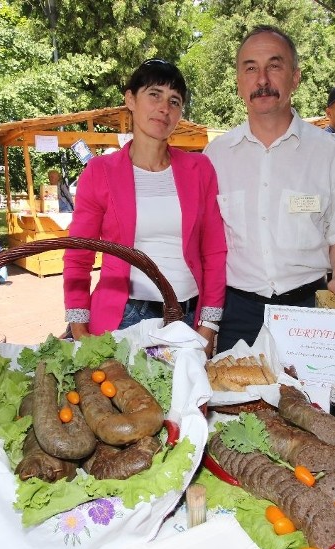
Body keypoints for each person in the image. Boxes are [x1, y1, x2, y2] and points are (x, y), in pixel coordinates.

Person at [203, 25, 335, 352]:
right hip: (237, 314)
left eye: (274, 66)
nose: (262, 79)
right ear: (239, 82)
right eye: (250, 68)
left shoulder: (329, 152)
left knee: (307, 402)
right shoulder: (215, 157)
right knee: (234, 402)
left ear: (295, 78)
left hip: (308, 309)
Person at [63, 59, 228, 356]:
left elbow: (214, 251)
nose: (164, 108)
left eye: (174, 101)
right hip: (123, 318)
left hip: (187, 319)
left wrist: (209, 326)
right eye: (154, 94)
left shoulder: (200, 168)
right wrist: (78, 327)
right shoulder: (100, 171)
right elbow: (79, 254)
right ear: (130, 99)